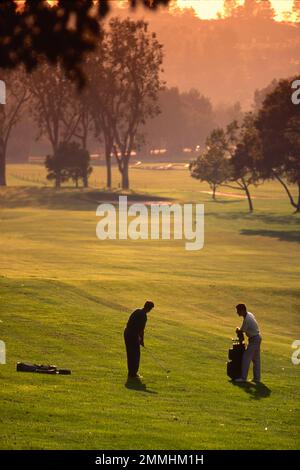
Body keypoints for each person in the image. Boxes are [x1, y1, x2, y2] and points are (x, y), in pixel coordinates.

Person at [124, 301, 154, 378]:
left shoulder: (137, 310)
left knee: (130, 353)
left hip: (127, 332)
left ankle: (131, 373)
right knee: (135, 355)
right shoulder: (143, 316)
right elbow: (141, 330)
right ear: (149, 309)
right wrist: (141, 341)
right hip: (132, 335)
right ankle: (133, 374)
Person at [234, 303, 262, 383]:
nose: (237, 312)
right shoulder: (249, 314)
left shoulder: (247, 320)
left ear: (242, 310)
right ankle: (257, 379)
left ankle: (243, 378)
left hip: (254, 339)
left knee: (246, 357)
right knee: (256, 359)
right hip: (257, 338)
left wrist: (237, 330)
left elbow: (241, 332)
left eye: (238, 310)